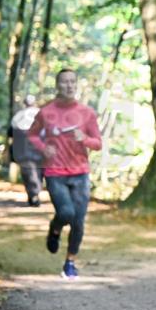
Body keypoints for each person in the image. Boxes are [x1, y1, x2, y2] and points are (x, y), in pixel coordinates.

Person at [28, 70, 102, 280]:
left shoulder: (87, 113)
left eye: (72, 82)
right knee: (66, 212)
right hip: (54, 172)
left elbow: (98, 143)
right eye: (64, 82)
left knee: (78, 222)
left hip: (80, 173)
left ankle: (70, 262)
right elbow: (32, 134)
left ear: (76, 85)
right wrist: (43, 148)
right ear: (57, 85)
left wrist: (84, 139)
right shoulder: (46, 112)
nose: (69, 85)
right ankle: (55, 229)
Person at [11, 95, 43, 206]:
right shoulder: (40, 113)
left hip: (25, 149)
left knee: (29, 172)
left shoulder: (18, 116)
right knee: (36, 172)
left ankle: (33, 194)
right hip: (36, 148)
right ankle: (34, 194)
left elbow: (11, 132)